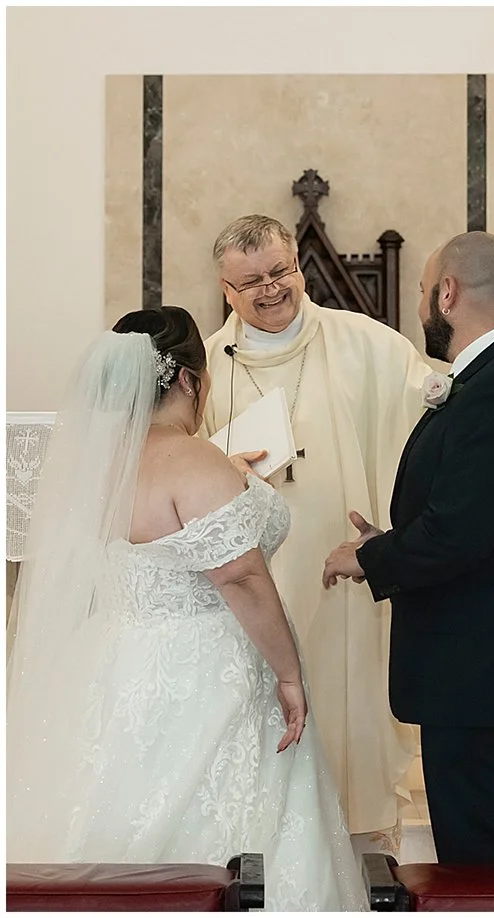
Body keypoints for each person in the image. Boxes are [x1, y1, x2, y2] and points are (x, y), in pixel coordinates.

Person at [8, 306, 366, 910]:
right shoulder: (192, 459)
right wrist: (288, 674)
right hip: (208, 669)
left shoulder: (102, 469)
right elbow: (244, 578)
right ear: (188, 380)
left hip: (117, 659)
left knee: (112, 803)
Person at [323, 231, 494, 864]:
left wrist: (368, 559)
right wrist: (392, 541)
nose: (419, 309)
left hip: (486, 670)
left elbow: (458, 534)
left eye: (420, 292)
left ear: (447, 293)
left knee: (486, 862)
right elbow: (477, 516)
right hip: (480, 668)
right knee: (477, 852)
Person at [201, 214, 431, 850]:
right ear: (226, 288)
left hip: (343, 569)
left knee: (345, 689)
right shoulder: (207, 370)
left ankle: (358, 844)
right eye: (252, 282)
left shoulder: (364, 342)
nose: (271, 289)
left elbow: (431, 402)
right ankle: (265, 844)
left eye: (281, 271)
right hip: (253, 577)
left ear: (298, 266)